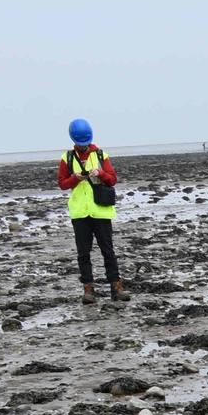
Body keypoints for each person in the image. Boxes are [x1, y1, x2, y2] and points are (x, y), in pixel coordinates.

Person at [57, 118, 128, 302]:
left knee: (108, 251)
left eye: (85, 143)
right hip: (80, 213)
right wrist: (75, 178)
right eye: (80, 144)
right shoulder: (68, 158)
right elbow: (62, 184)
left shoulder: (101, 155)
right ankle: (88, 290)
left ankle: (116, 287)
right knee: (83, 253)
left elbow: (112, 179)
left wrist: (101, 174)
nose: (83, 147)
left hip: (101, 211)